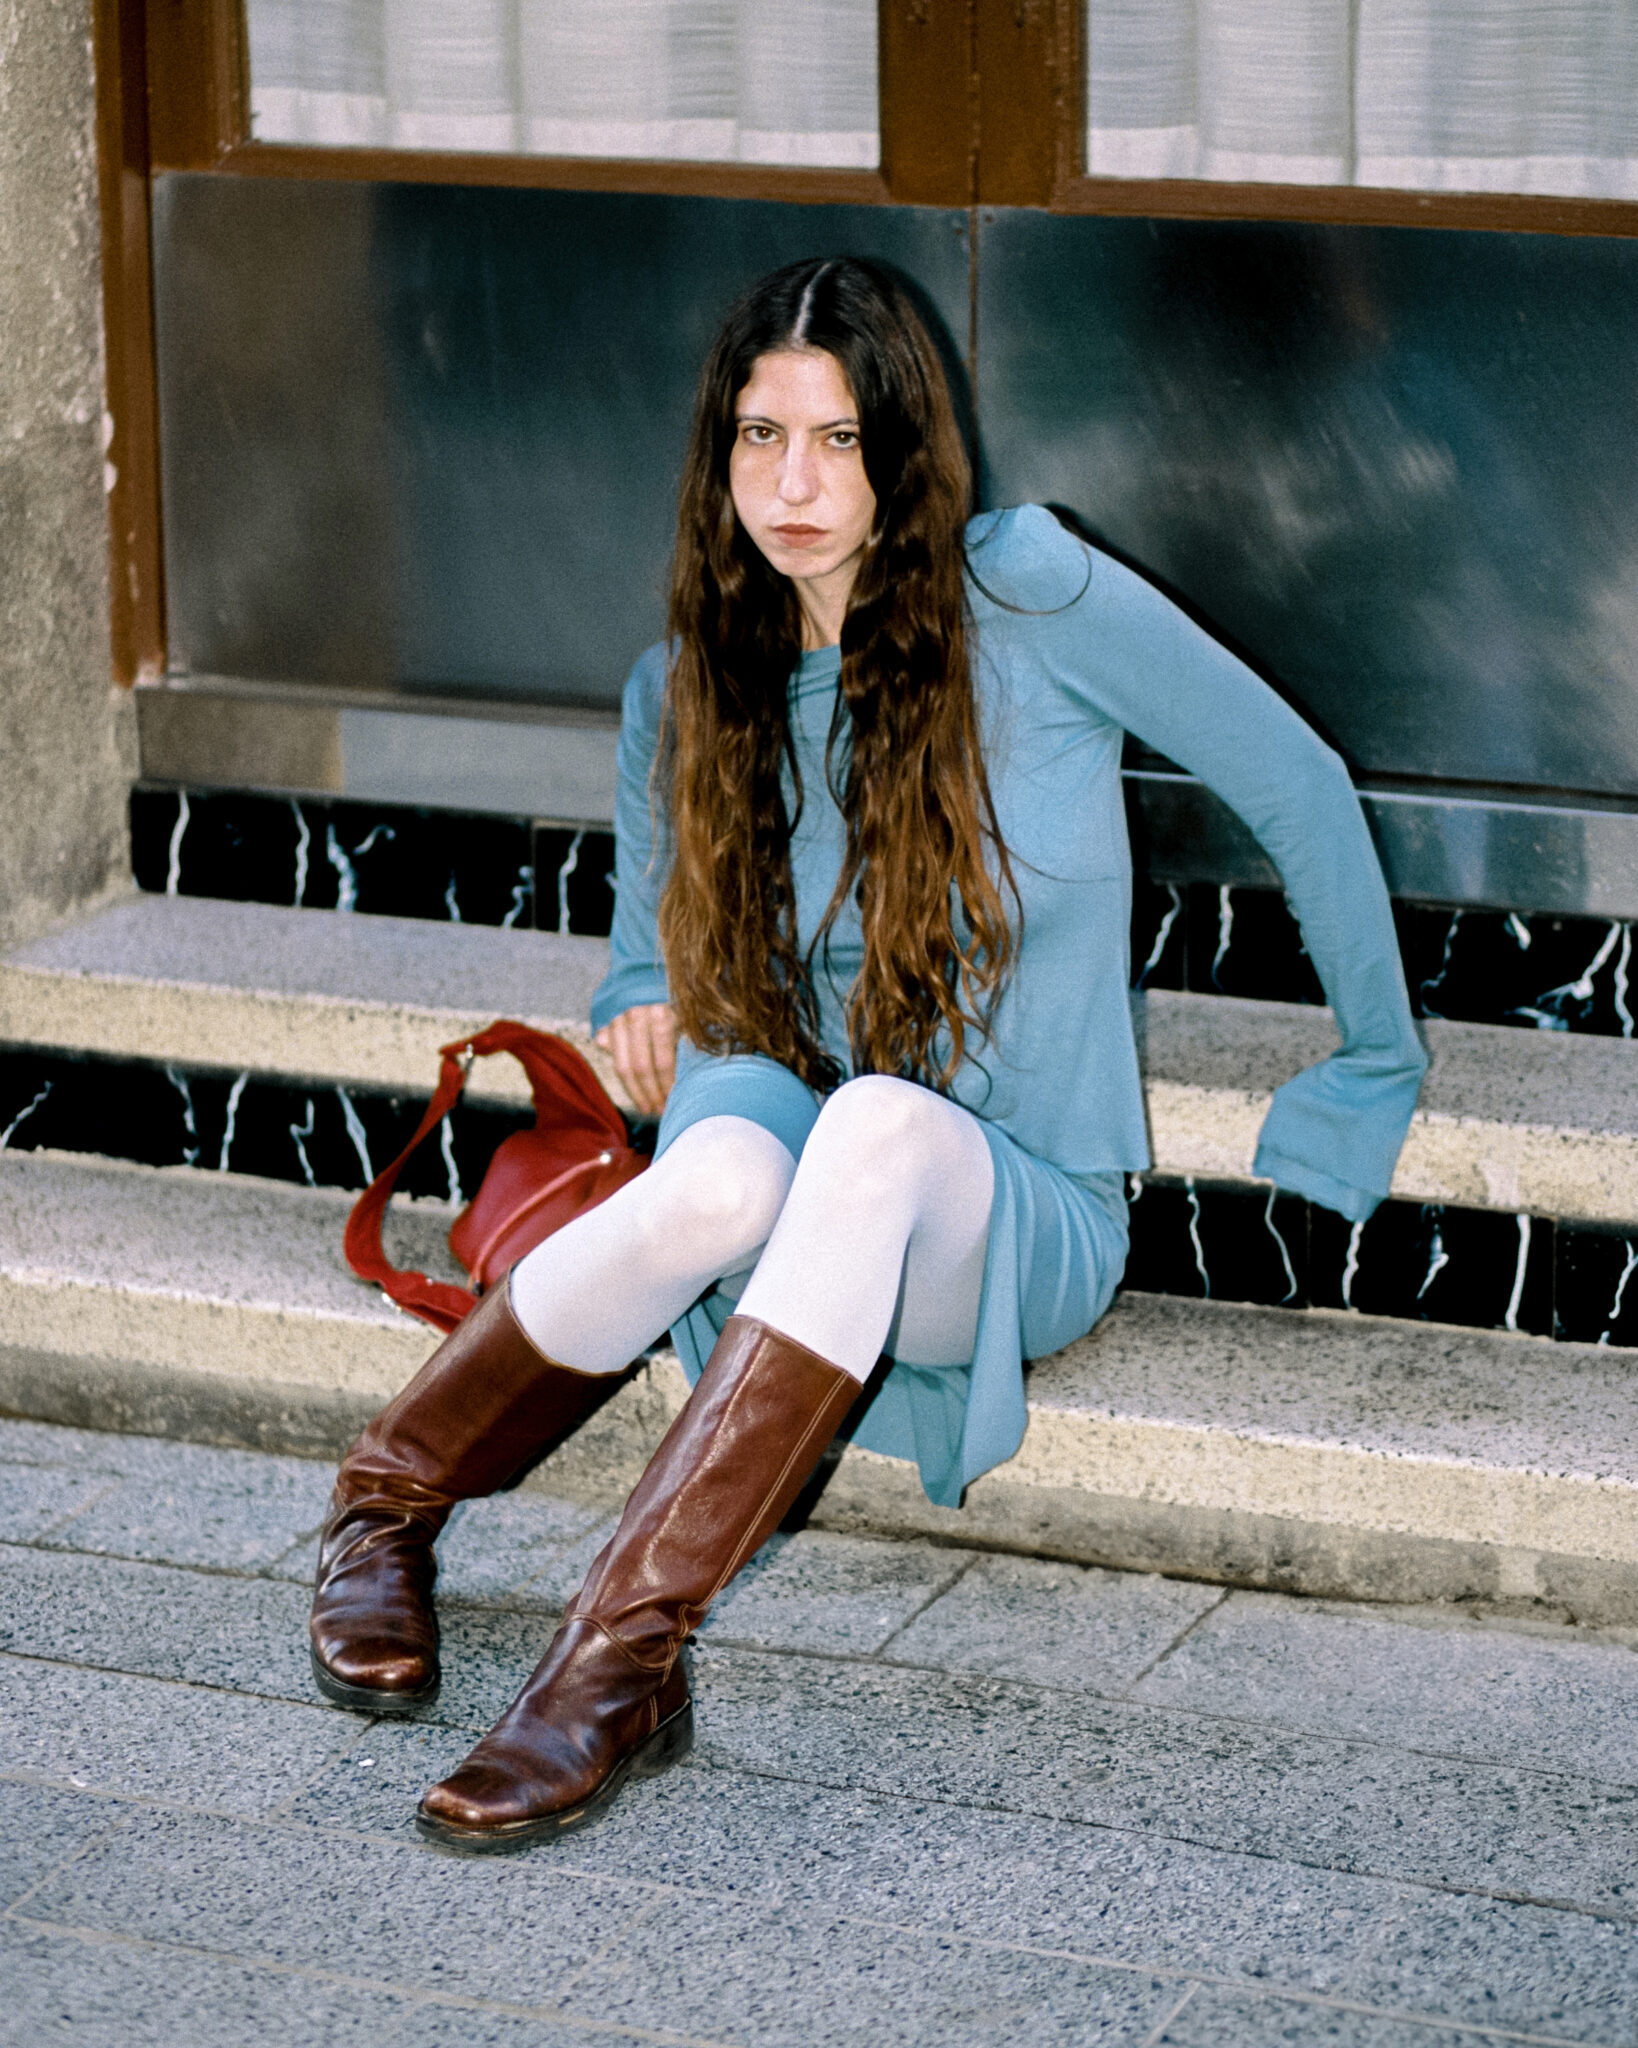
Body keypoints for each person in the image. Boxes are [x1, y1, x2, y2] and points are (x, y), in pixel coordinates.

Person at [307, 256, 1427, 1853]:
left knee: (878, 1130)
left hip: (1001, 1199)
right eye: (759, 438)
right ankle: (384, 1503)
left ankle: (608, 1663)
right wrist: (642, 996)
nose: (793, 487)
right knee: (715, 1187)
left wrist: (1368, 1067)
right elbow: (644, 947)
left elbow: (1296, 781)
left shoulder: (1029, 596)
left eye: (837, 440)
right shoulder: (688, 682)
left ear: (906, 447)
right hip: (767, 1123)